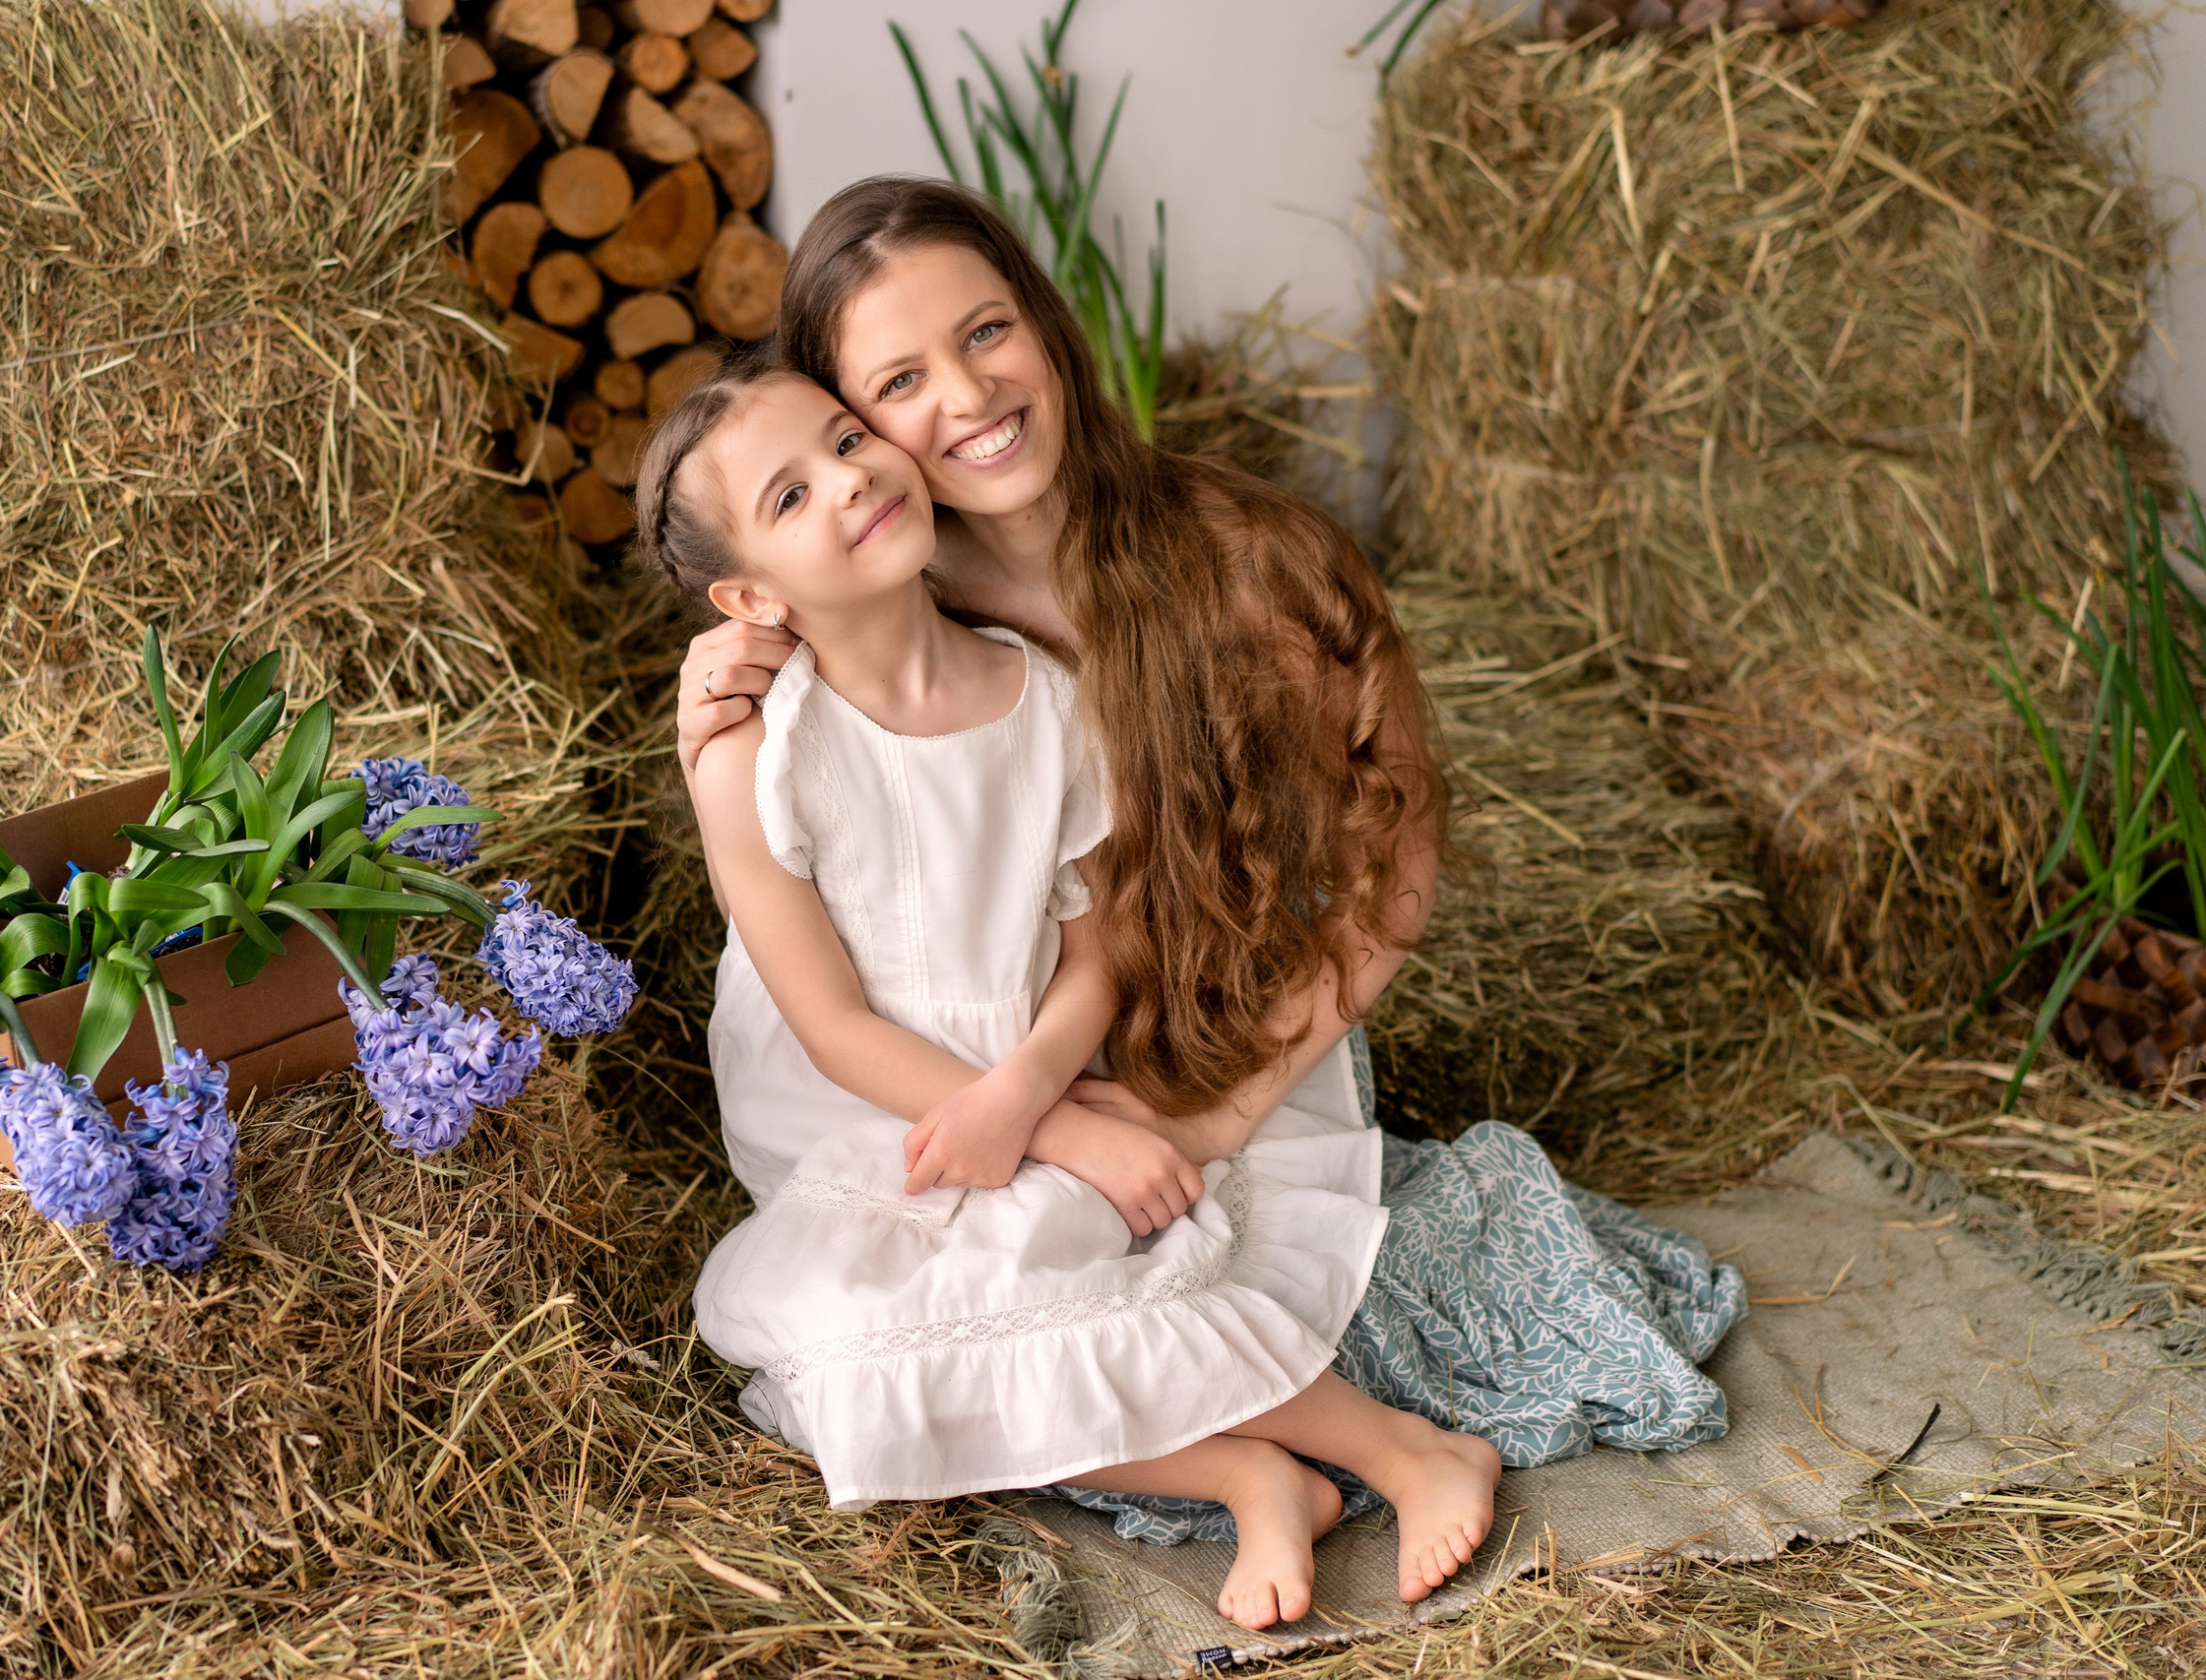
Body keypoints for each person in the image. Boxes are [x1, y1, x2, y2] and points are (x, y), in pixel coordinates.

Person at [673, 177, 1747, 1623]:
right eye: (896, 385)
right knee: (937, 1356)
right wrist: (716, 687)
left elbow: (1392, 869)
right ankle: (1252, 1461)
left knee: (1174, 1295)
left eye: (990, 331)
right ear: (850, 417)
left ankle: (1346, 1438)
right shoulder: (882, 610)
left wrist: (1219, 1109)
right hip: (976, 1073)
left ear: (1046, 329)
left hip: (1223, 1031)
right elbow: (810, 811)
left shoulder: (1243, 566)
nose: (969, 398)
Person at [642, 354, 1503, 1629]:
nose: (849, 477)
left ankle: (1402, 1449)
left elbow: (1100, 940)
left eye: (843, 437)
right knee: (852, 1367)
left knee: (1085, 1262)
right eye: (789, 495)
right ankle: (1250, 1474)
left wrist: (1045, 1089)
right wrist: (1044, 1129)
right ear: (749, 595)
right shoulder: (758, 756)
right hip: (866, 1117)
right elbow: (829, 1025)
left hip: (1039, 1057)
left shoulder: (1041, 697)